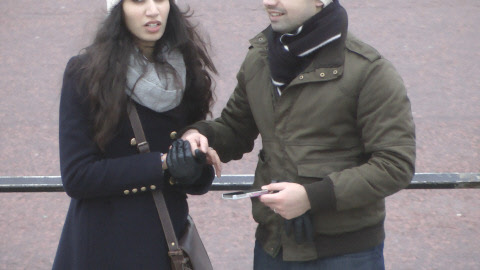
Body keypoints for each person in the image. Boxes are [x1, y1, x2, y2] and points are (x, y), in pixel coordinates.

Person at [181, 0, 416, 269]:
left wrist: (311, 197)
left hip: (346, 254)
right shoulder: (260, 57)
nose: (268, 2)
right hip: (274, 245)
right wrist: (199, 135)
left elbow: (395, 165)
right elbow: (235, 128)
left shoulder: (370, 70)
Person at [52, 0, 221, 269]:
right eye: (139, 1)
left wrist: (193, 165)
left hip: (165, 245)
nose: (153, 10)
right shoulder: (85, 72)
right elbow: (77, 176)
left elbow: (194, 180)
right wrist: (161, 163)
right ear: (118, 9)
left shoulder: (187, 67)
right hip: (104, 246)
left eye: (161, 0)